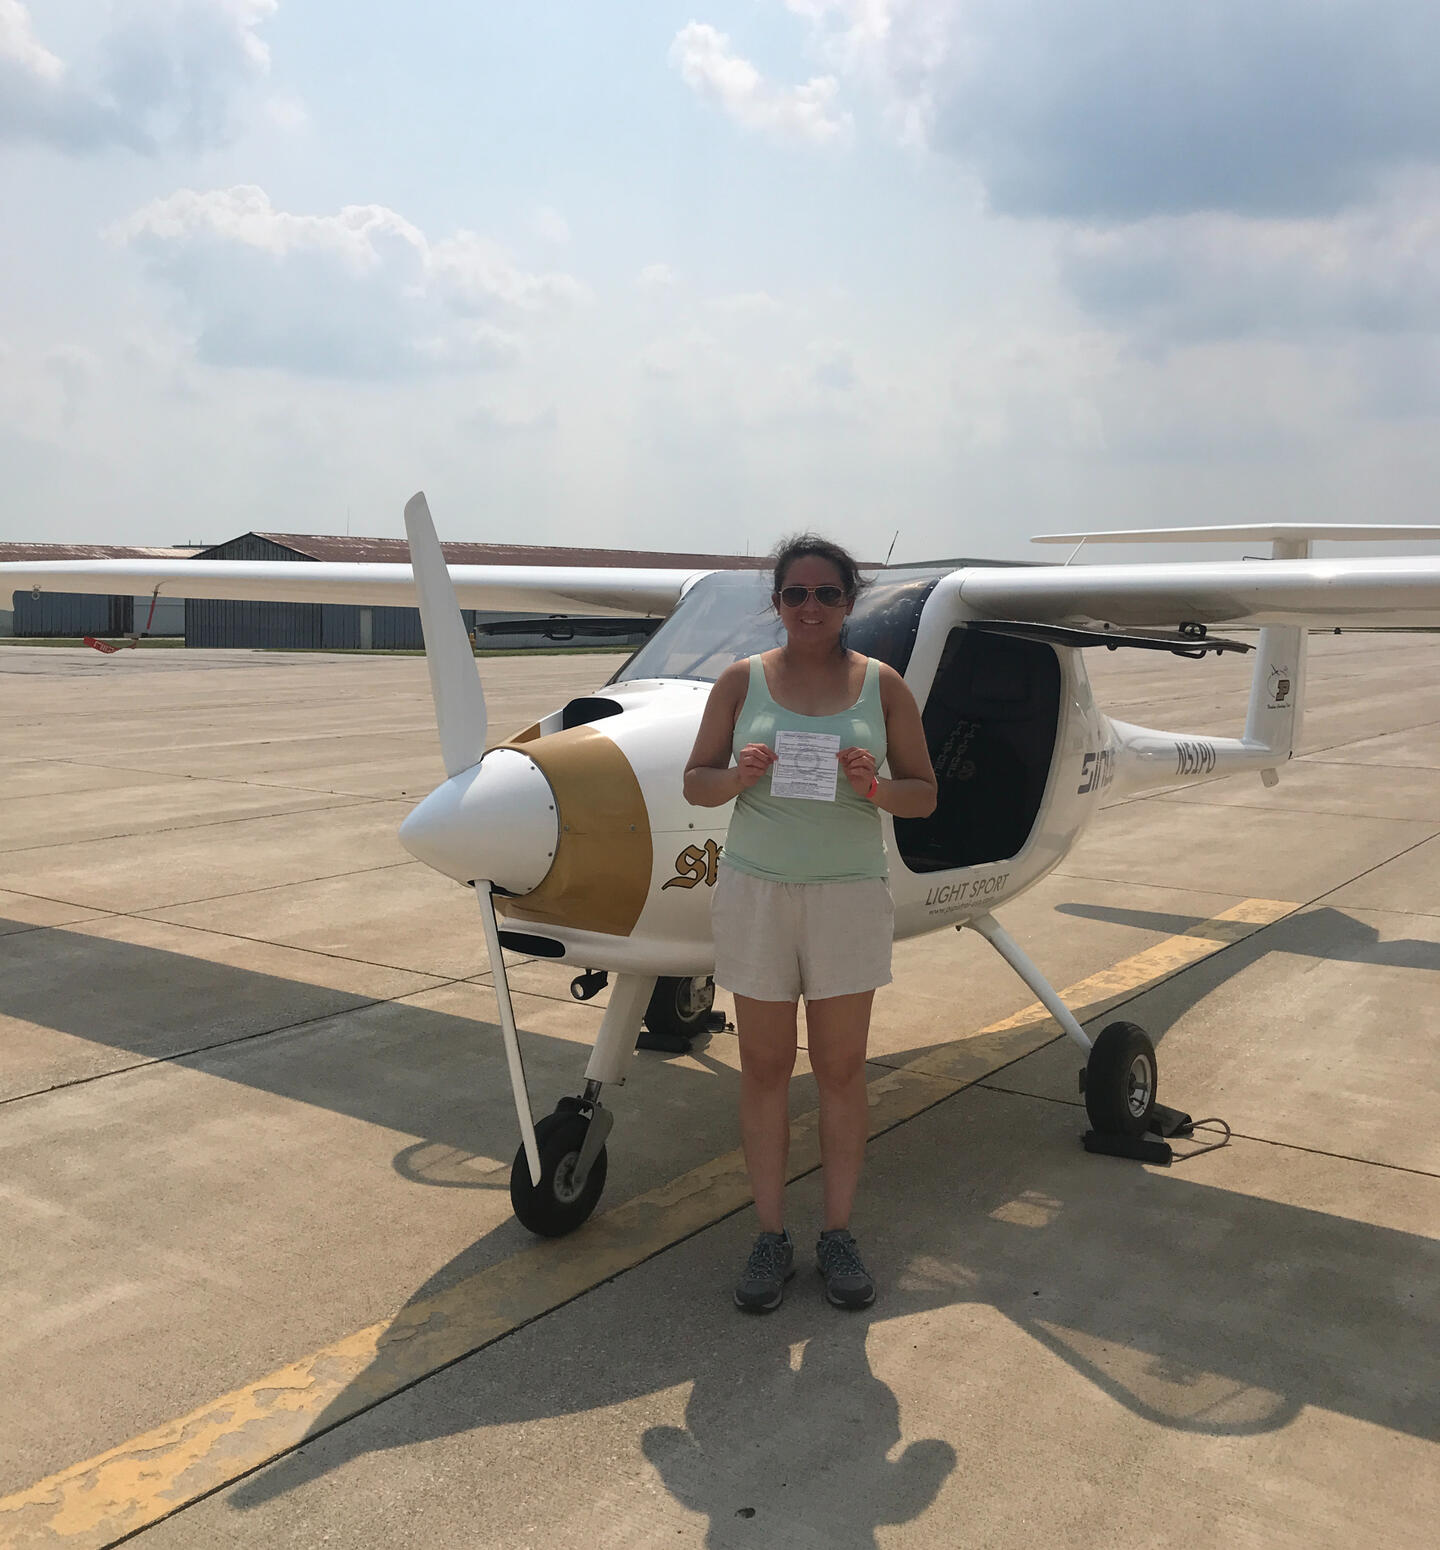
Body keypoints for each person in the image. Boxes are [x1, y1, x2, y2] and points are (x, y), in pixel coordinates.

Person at [683, 535, 938, 1312]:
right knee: (763, 1068)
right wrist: (739, 776)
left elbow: (923, 795)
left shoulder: (882, 686)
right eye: (796, 594)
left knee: (840, 1071)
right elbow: (697, 784)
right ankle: (769, 1235)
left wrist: (874, 787)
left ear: (849, 602)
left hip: (848, 896)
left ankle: (836, 1232)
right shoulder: (740, 680)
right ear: (778, 603)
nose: (811, 607)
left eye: (827, 594)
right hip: (759, 894)